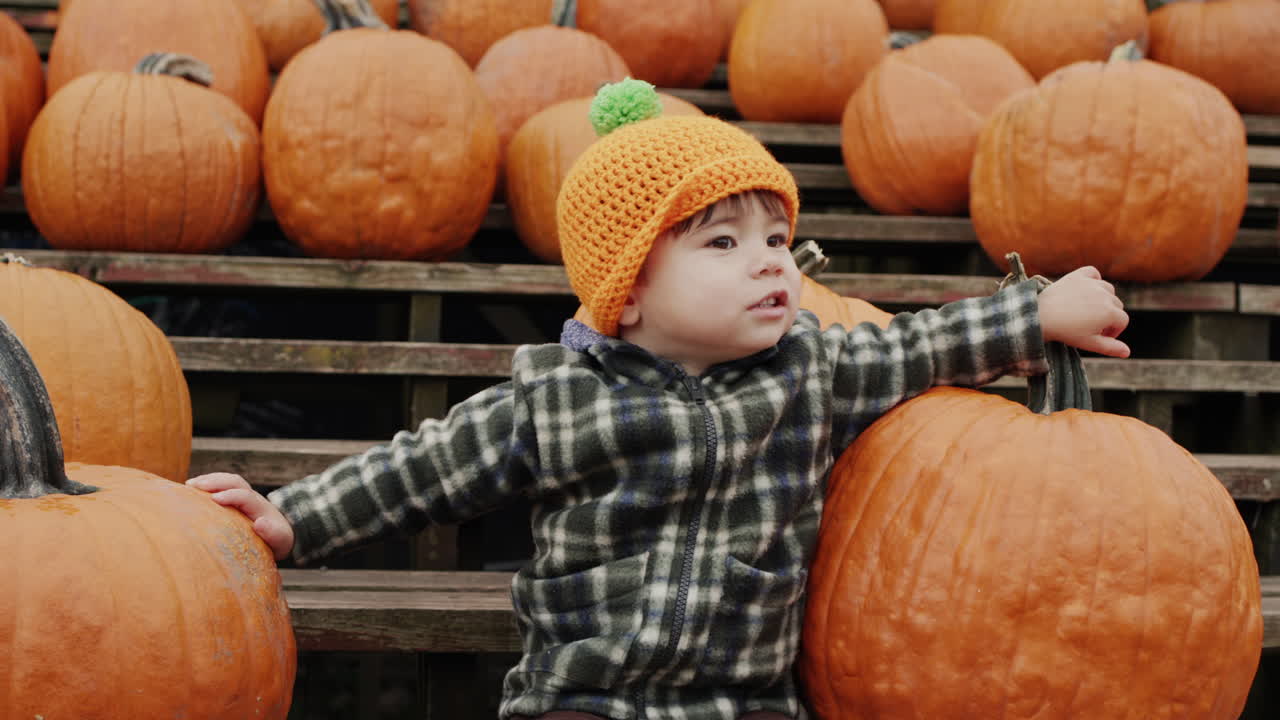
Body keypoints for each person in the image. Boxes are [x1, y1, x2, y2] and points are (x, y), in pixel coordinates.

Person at [188, 79, 1129, 720]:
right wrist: (293, 517)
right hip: (585, 696)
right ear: (628, 291)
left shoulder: (814, 369)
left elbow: (923, 345)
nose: (767, 259)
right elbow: (423, 469)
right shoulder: (558, 398)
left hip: (743, 701)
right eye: (721, 244)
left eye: (774, 235)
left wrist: (1035, 312)